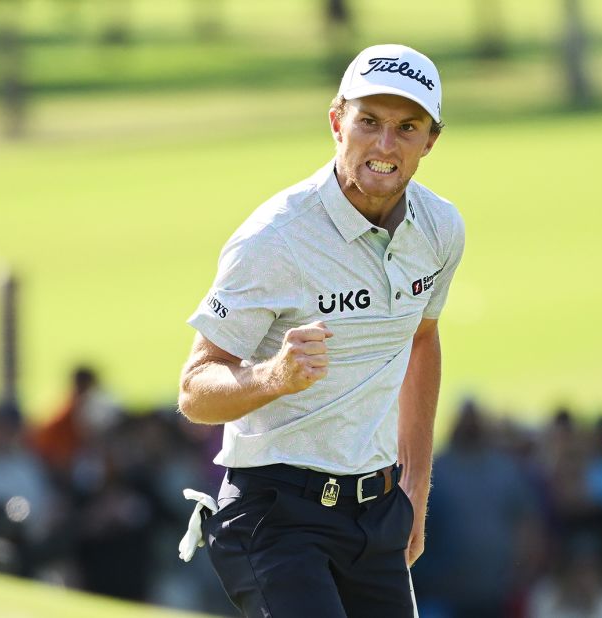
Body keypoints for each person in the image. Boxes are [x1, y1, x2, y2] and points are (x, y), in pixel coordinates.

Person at [178, 44, 465, 617]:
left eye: (406, 128)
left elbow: (421, 339)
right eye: (369, 122)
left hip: (376, 509)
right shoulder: (274, 239)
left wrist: (414, 489)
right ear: (338, 122)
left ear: (430, 140)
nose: (385, 146)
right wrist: (274, 376)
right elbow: (194, 392)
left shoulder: (440, 229)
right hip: (275, 513)